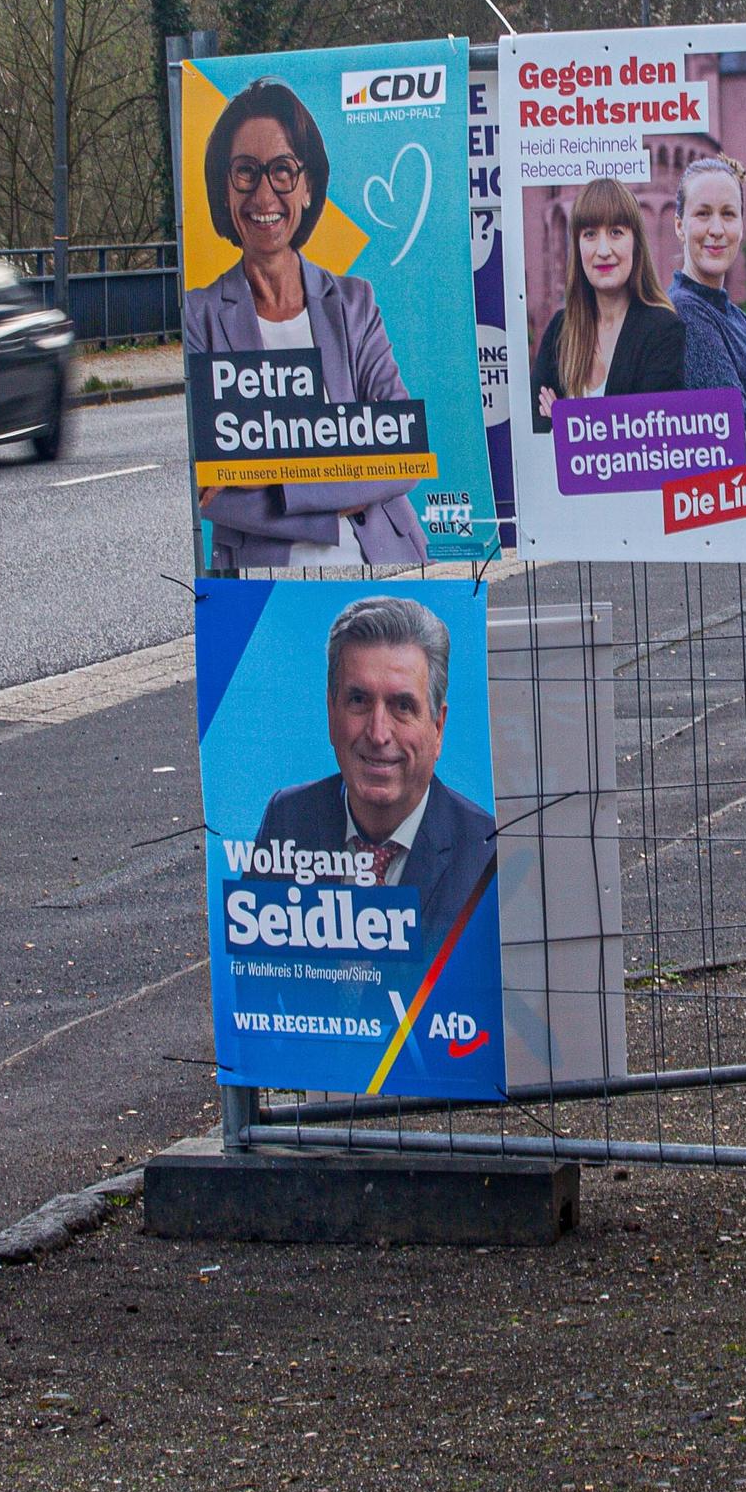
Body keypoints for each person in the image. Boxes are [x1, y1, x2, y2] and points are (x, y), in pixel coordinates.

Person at [184, 80, 427, 568]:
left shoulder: (354, 303)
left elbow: (405, 453)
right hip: (261, 576)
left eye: (282, 170)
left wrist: (275, 483)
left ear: (308, 185)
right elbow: (211, 493)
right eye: (245, 171)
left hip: (382, 557)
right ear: (223, 188)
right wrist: (341, 493)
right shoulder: (199, 316)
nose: (264, 194)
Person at [254, 595, 495, 960]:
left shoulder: (484, 851)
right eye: (359, 701)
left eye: (402, 706)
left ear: (438, 727)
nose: (378, 733)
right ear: (331, 712)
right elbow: (254, 974)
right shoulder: (287, 818)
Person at [530, 177, 686, 430]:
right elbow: (536, 428)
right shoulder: (560, 330)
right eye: (590, 234)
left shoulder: (663, 331)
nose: (603, 250)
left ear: (635, 243)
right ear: (577, 246)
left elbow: (648, 435)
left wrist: (564, 421)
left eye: (616, 232)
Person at [666, 154, 746, 432]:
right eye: (703, 214)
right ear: (679, 226)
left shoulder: (738, 319)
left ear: (741, 227)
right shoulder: (685, 311)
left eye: (728, 214)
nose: (717, 229)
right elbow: (736, 424)